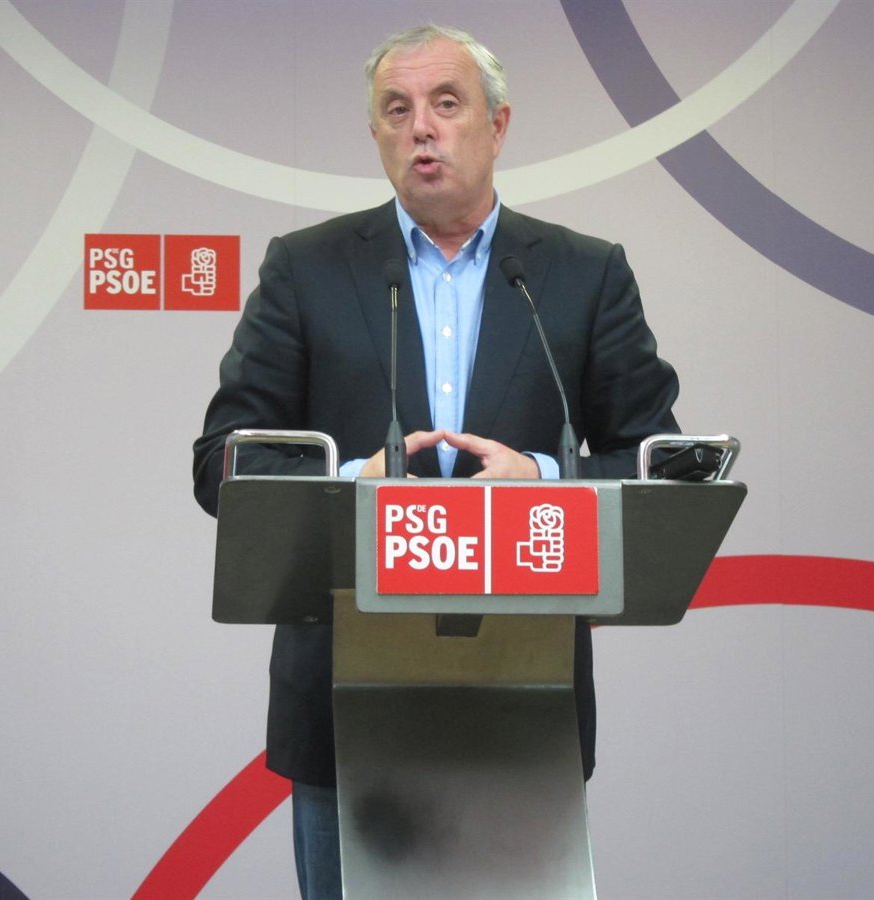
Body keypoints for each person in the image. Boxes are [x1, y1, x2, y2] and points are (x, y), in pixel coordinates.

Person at [193, 23, 680, 900]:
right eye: (397, 109)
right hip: (344, 702)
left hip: (521, 697)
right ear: (377, 135)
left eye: (446, 104)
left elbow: (657, 467)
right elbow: (222, 462)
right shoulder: (306, 270)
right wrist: (352, 486)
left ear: (498, 125)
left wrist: (545, 479)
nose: (421, 127)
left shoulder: (582, 275)